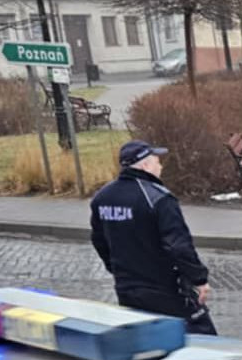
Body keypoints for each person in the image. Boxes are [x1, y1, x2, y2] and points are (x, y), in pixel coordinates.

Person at [90, 140, 216, 335]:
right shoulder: (158, 198)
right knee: (202, 336)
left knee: (146, 337)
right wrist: (199, 279)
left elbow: (99, 241)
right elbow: (178, 245)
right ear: (145, 165)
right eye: (157, 161)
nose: (161, 166)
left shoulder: (102, 198)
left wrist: (117, 270)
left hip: (127, 288)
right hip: (164, 287)